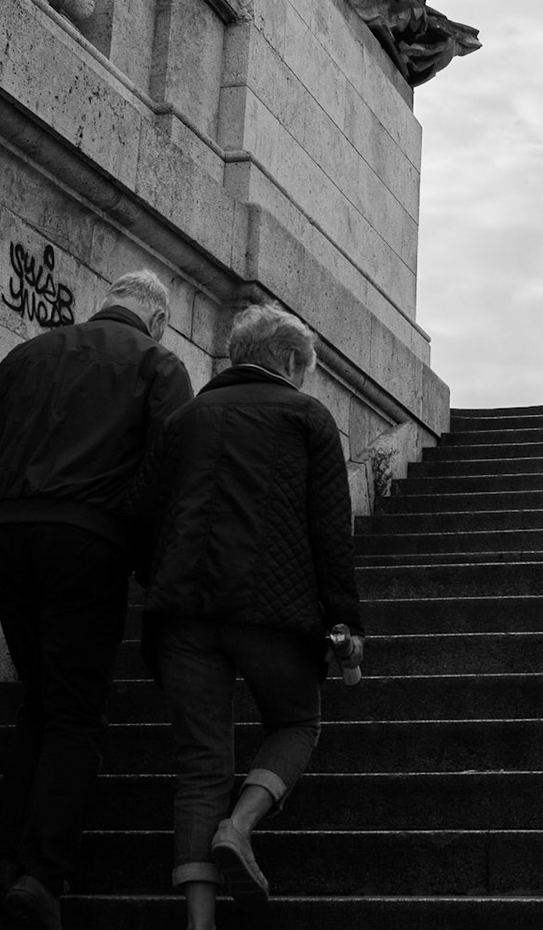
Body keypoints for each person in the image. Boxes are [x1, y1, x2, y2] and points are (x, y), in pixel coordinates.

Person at [0, 270, 194, 930]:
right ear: (157, 320)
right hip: (87, 540)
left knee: (41, 695)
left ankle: (7, 861)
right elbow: (174, 468)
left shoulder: (29, 353)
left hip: (2, 536)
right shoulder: (158, 363)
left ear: (104, 304)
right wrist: (152, 561)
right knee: (75, 713)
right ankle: (41, 873)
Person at [142, 303, 364, 928]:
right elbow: (331, 531)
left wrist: (160, 586)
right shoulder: (307, 417)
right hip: (272, 611)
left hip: (183, 613)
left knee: (200, 765)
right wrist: (346, 621)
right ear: (289, 360)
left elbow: (148, 513)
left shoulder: (184, 420)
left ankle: (200, 923)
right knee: (296, 723)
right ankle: (239, 826)